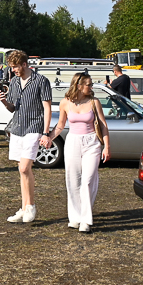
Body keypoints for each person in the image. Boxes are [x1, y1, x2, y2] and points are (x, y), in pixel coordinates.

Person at [0, 50, 54, 224]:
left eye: (15, 67)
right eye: (11, 67)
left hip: (34, 127)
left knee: (24, 168)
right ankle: (23, 208)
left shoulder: (41, 81)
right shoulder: (14, 81)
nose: (13, 70)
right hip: (17, 127)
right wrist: (4, 101)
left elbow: (47, 108)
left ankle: (30, 206)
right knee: (22, 170)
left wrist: (46, 133)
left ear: (24, 64)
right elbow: (13, 108)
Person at [50, 72, 110, 233]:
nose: (91, 87)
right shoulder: (65, 102)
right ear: (79, 86)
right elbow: (60, 125)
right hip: (73, 142)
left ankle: (85, 220)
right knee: (73, 180)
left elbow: (103, 125)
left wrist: (107, 147)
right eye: (88, 85)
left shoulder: (94, 102)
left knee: (88, 180)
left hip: (92, 142)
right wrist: (49, 138)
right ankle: (75, 217)